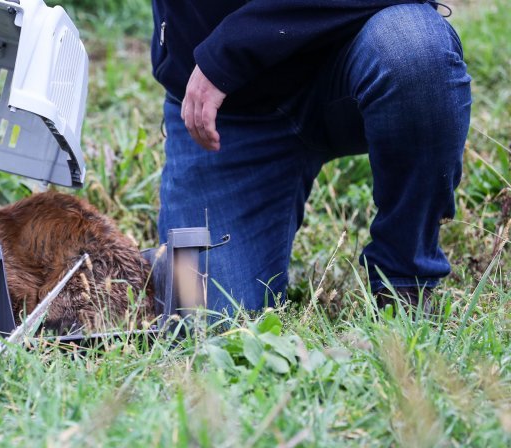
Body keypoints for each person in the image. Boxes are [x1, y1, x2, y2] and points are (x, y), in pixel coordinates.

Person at [151, 0, 471, 313]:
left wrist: (231, 48)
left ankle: (405, 283)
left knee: (414, 51)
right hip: (226, 113)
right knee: (200, 319)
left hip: (350, 54)